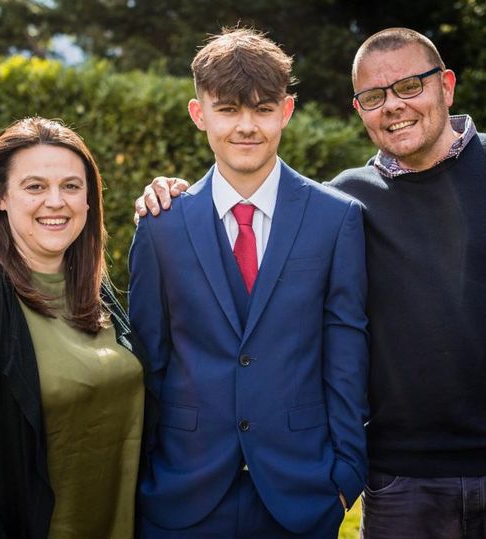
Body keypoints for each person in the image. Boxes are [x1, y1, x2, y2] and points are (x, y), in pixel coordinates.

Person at [137, 27, 486, 538]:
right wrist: (174, 195)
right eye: (375, 96)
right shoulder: (349, 203)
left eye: (409, 86)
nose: (394, 106)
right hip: (403, 478)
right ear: (360, 109)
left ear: (446, 85)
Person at [128, 28, 369, 538]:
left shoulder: (336, 219)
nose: (246, 126)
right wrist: (145, 475)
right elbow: (150, 357)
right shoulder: (161, 226)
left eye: (262, 109)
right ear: (200, 115)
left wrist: (347, 473)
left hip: (302, 491)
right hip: (181, 491)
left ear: (286, 111)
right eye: (228, 109)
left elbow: (345, 352)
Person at [0, 117, 157, 538]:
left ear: (89, 199)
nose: (56, 201)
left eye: (71, 186)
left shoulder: (94, 289)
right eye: (35, 186)